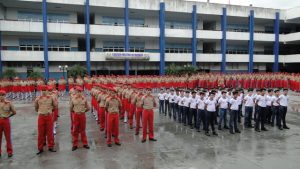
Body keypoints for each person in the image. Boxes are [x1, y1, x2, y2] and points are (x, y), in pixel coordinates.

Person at [34, 85, 57, 155]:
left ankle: (51, 146)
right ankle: (40, 148)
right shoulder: (37, 99)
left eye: (45, 90)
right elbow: (36, 108)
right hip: (41, 116)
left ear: (47, 91)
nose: (44, 92)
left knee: (50, 132)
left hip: (49, 116)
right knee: (41, 133)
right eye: (42, 90)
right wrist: (41, 111)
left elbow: (55, 106)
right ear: (41, 91)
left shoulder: (51, 98)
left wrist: (49, 111)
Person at [69, 86, 90, 151]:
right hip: (76, 115)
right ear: (76, 92)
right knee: (75, 130)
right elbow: (71, 108)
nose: (79, 93)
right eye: (78, 92)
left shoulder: (84, 99)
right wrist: (76, 112)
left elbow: (88, 108)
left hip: (82, 115)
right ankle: (75, 144)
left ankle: (85, 143)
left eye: (80, 92)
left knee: (83, 130)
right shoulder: (73, 99)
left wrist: (83, 111)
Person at [0, 90, 16, 158]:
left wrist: (8, 116)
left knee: (8, 137)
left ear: (5, 96)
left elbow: (14, 112)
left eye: (3, 95)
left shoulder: (9, 103)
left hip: (6, 120)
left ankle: (9, 151)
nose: (1, 96)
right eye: (0, 95)